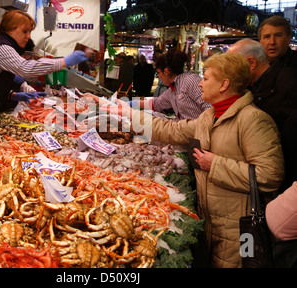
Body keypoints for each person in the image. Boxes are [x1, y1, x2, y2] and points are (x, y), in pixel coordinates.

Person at [102, 52, 284, 267]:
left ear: (224, 84)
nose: (200, 85)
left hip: (239, 225)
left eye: (206, 79)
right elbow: (170, 129)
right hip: (211, 219)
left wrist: (215, 164)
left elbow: (270, 175)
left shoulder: (253, 120)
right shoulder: (209, 116)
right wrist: (126, 114)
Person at [228, 38, 297, 191]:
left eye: (232, 65)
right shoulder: (255, 87)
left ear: (251, 63)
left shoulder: (288, 83)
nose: (229, 73)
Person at [131, 49, 211, 120]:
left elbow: (209, 107)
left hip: (200, 133)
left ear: (166, 72)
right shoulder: (173, 89)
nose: (158, 76)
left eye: (158, 73)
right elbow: (156, 103)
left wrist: (200, 127)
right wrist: (131, 104)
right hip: (186, 133)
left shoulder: (190, 81)